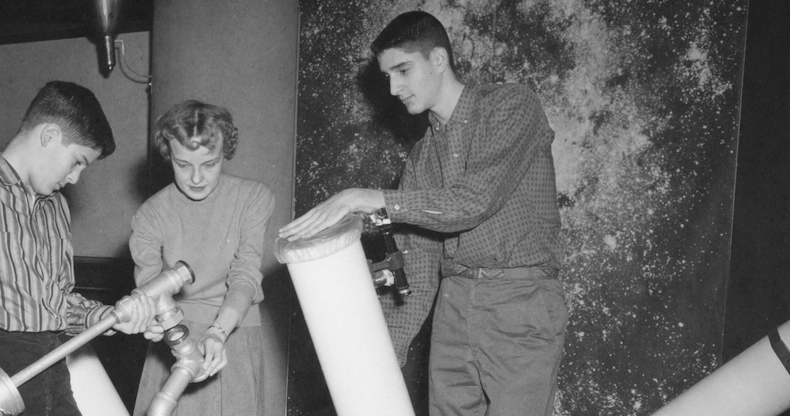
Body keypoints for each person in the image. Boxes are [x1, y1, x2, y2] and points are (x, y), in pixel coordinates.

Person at [279, 11, 568, 416]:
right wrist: (382, 359)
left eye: (403, 70)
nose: (394, 88)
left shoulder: (511, 105)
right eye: (388, 77)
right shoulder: (422, 157)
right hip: (454, 305)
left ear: (438, 59)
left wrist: (368, 197)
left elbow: (472, 202)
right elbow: (415, 265)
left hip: (519, 301)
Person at [0, 81, 156, 416]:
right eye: (77, 162)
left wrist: (108, 317)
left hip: (51, 364)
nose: (75, 179)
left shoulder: (56, 208)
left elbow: (56, 302)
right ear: (50, 135)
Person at [129, 100, 275, 416]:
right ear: (168, 155)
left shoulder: (253, 197)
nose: (196, 177)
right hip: (175, 338)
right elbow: (151, 290)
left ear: (225, 155)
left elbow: (246, 273)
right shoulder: (150, 215)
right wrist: (156, 324)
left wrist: (218, 331)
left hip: (233, 329)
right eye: (183, 165)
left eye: (209, 164)